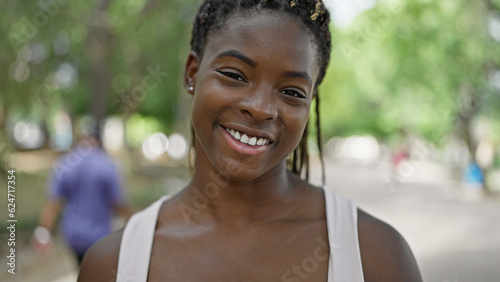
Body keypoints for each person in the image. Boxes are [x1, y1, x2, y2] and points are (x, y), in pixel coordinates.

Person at [79, 1, 422, 281]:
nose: (260, 109)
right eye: (233, 75)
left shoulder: (376, 255)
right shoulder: (113, 264)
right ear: (192, 74)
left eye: (291, 92)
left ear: (310, 104)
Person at [33, 127, 131, 265]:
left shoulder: (64, 164)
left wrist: (43, 232)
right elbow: (120, 203)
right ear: (99, 140)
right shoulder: (109, 165)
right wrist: (134, 225)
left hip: (73, 235)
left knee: (82, 269)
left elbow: (53, 203)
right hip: (100, 236)